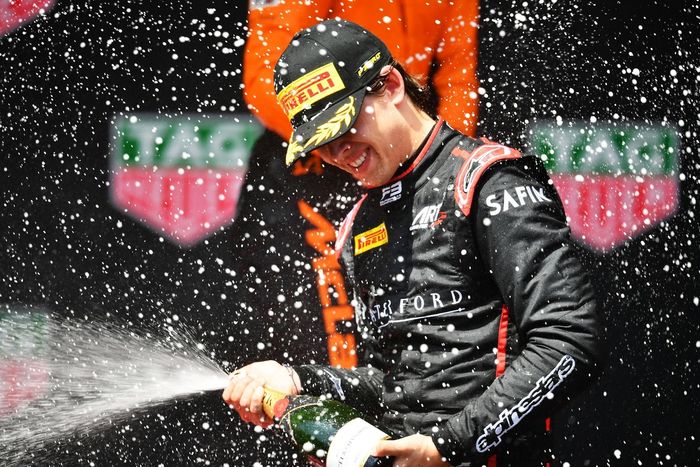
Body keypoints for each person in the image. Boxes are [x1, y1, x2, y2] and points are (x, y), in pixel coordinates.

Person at [223, 19, 606, 467]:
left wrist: (448, 445)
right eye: (321, 143)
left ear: (390, 86)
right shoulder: (359, 224)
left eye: (344, 128)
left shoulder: (487, 182)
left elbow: (570, 339)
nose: (338, 153)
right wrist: (296, 380)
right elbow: (394, 384)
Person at [228, 0, 480, 371]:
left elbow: (458, 77)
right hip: (311, 163)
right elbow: (265, 78)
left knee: (415, 304)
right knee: (319, 329)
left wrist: (435, 157)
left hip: (399, 149)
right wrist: (340, 138)